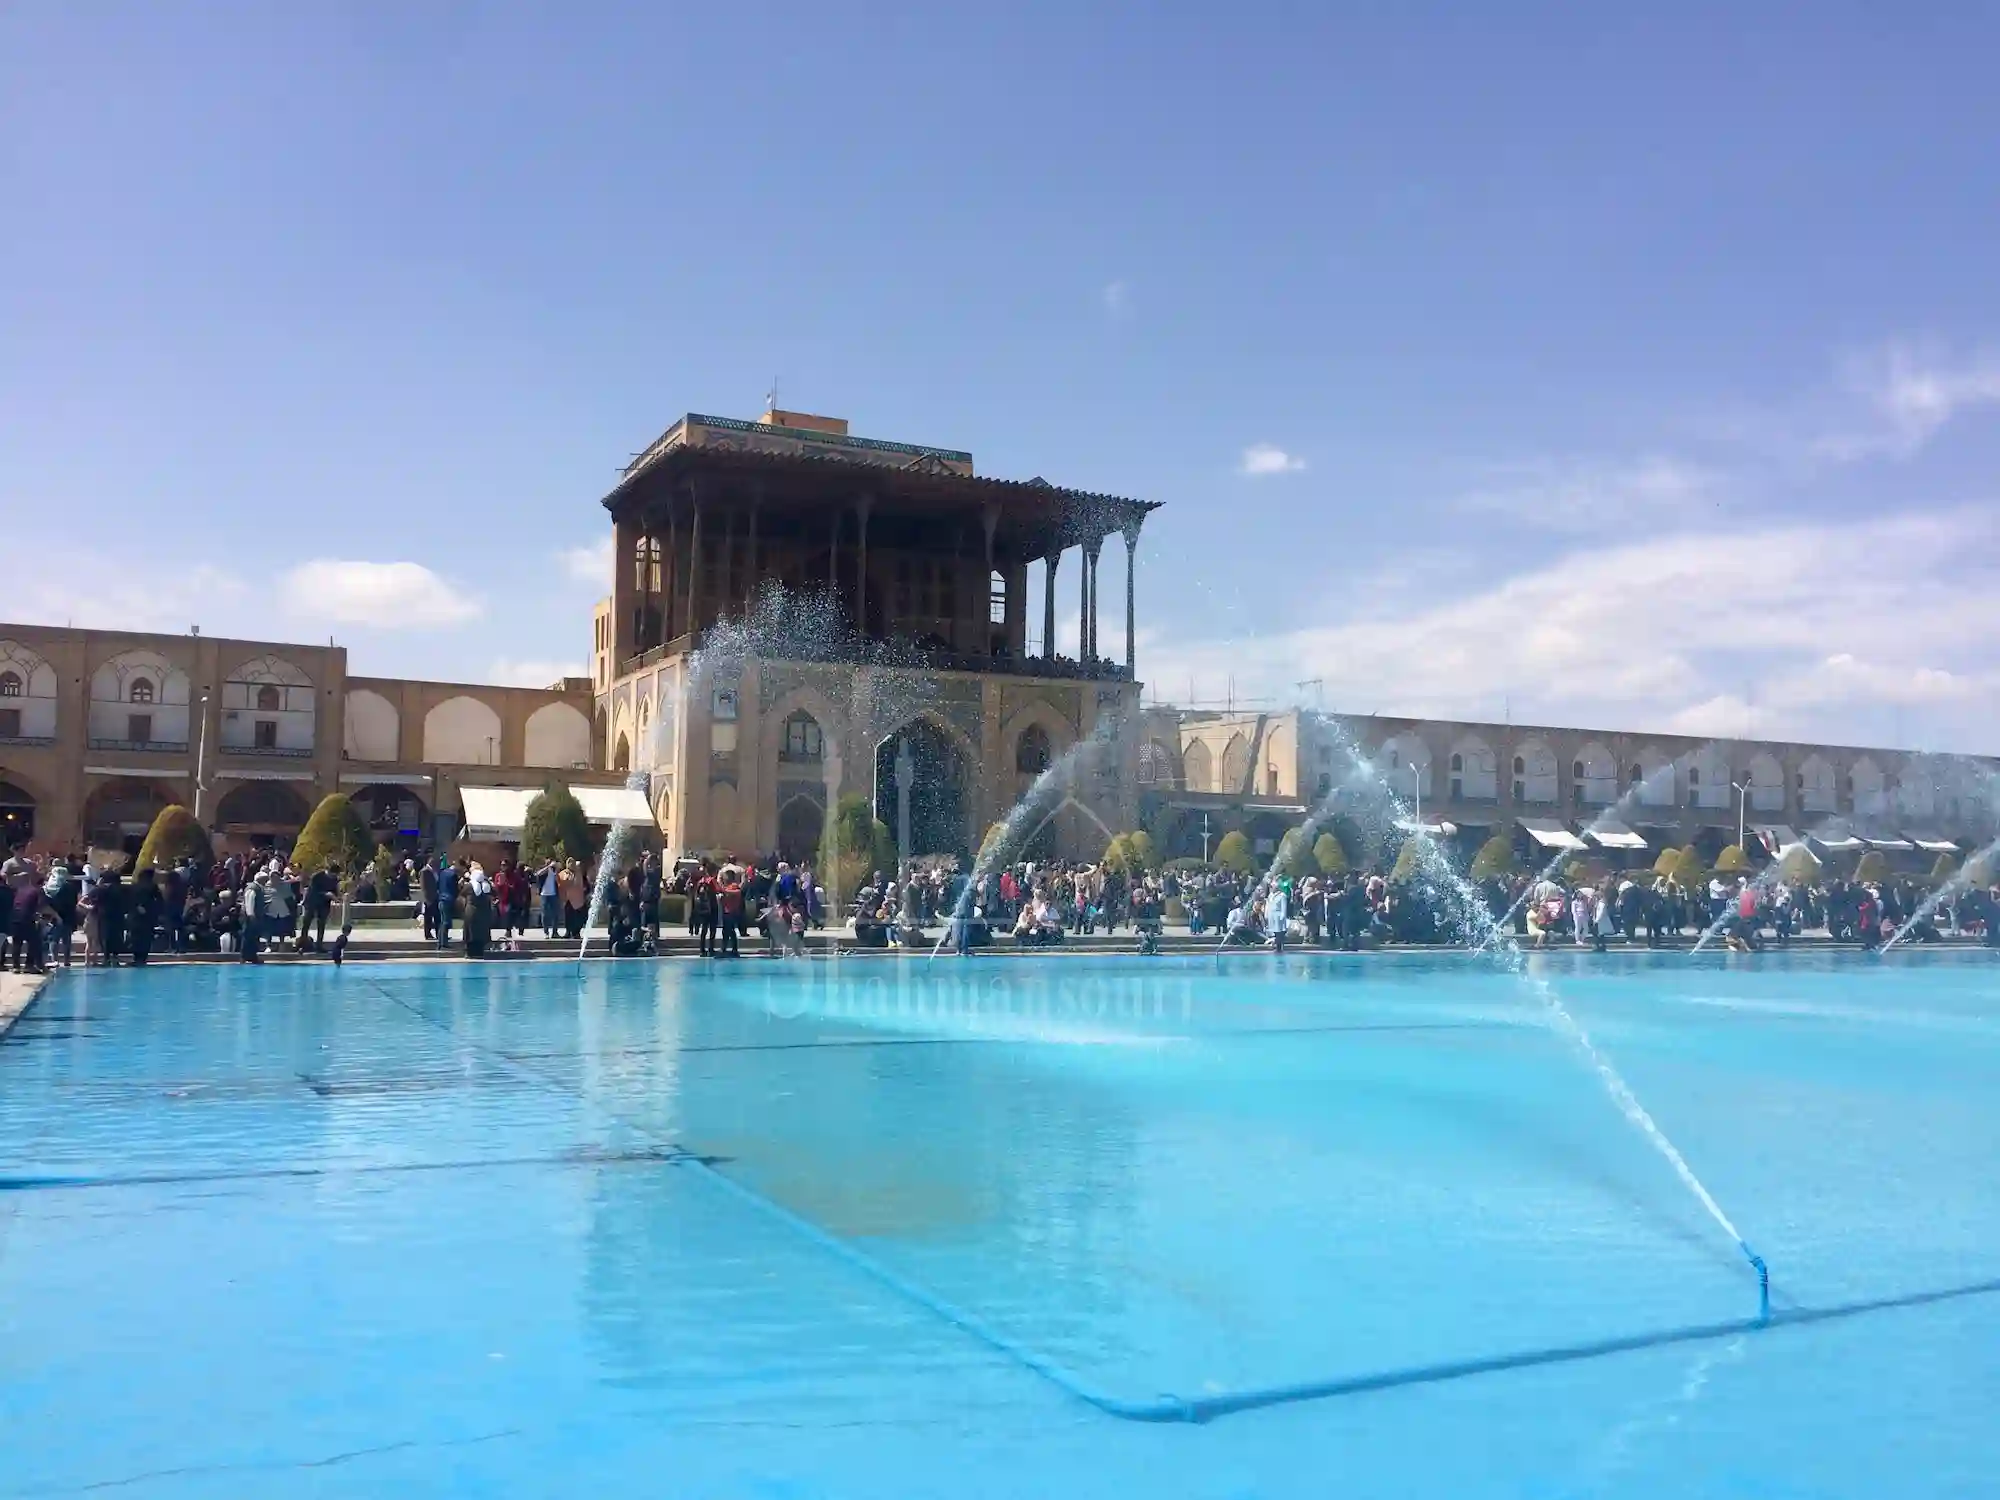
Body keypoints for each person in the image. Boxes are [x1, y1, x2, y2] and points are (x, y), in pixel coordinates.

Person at [127, 866, 163, 965]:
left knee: (136, 937)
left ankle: (137, 958)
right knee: (145, 937)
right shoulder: (152, 886)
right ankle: (142, 958)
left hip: (136, 916)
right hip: (147, 916)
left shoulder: (135, 886)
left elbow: (130, 900)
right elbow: (160, 901)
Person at [718, 867, 744, 958]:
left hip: (731, 911)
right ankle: (732, 949)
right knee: (728, 931)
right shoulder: (727, 886)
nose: (724, 878)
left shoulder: (734, 886)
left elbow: (737, 893)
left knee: (728, 931)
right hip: (726, 911)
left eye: (726, 876)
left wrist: (724, 891)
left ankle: (727, 949)